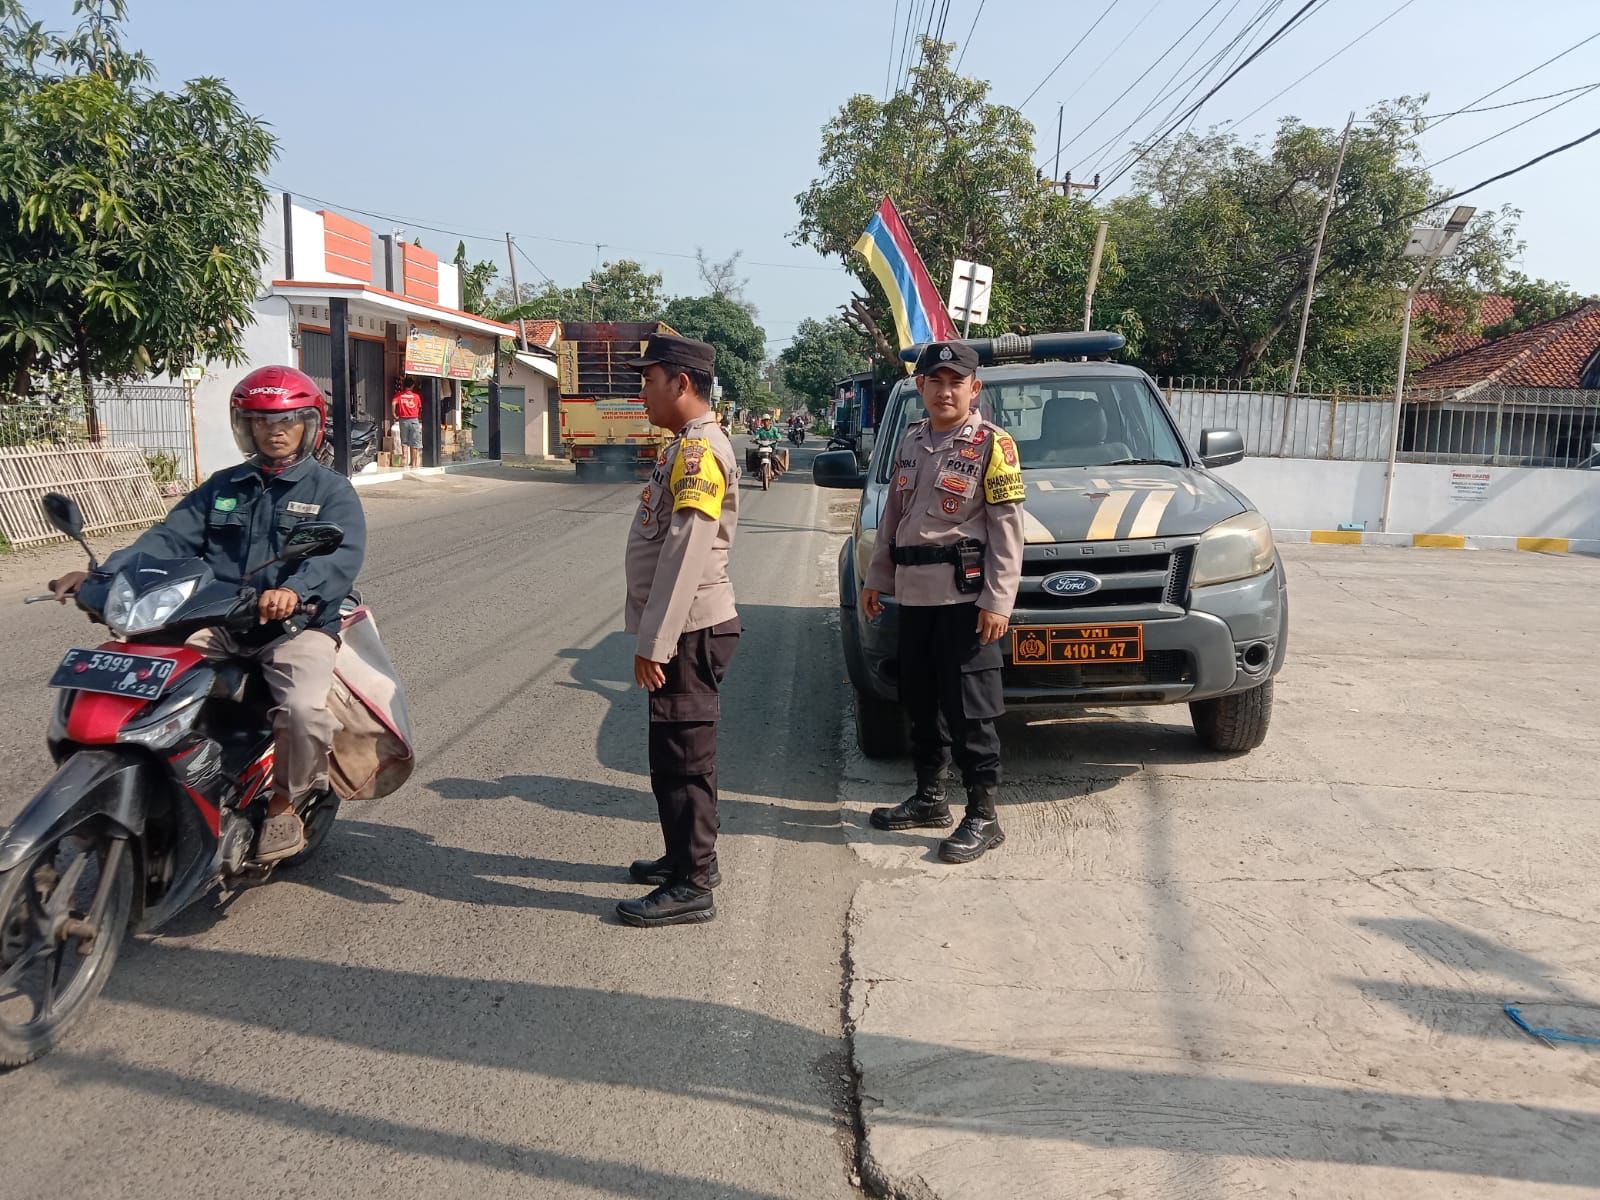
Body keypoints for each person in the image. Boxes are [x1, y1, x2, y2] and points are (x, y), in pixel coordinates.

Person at [50, 366, 367, 862]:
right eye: (261, 421)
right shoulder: (224, 486)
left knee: (303, 711)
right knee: (148, 679)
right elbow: (166, 539)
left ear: (310, 425)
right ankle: (164, 778)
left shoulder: (331, 491)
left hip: (294, 627)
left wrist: (293, 590)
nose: (274, 431)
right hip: (219, 620)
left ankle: (284, 802)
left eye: (286, 420)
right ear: (246, 426)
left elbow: (339, 557)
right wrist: (102, 575)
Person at [861, 340, 1025, 864]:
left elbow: (1008, 531)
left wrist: (997, 601)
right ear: (921, 387)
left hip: (964, 602)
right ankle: (930, 797)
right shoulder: (911, 440)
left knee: (971, 710)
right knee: (921, 701)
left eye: (957, 382)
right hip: (914, 597)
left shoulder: (993, 445)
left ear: (975, 389)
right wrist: (876, 578)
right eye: (936, 381)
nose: (946, 391)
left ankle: (983, 815)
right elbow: (893, 516)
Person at [616, 334, 741, 927]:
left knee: (685, 757)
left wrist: (656, 642)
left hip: (689, 631)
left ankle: (692, 882)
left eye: (648, 381)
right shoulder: (685, 446)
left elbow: (686, 551)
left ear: (681, 383)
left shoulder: (698, 453)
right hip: (684, 628)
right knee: (674, 754)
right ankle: (686, 857)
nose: (642, 393)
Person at [393, 377, 423, 469]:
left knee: (404, 441)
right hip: (414, 420)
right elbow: (420, 408)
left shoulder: (399, 395)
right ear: (413, 385)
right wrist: (418, 416)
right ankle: (413, 464)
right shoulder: (416, 396)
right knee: (414, 442)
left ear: (403, 385)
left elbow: (393, 403)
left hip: (403, 420)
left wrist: (394, 414)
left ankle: (404, 462)